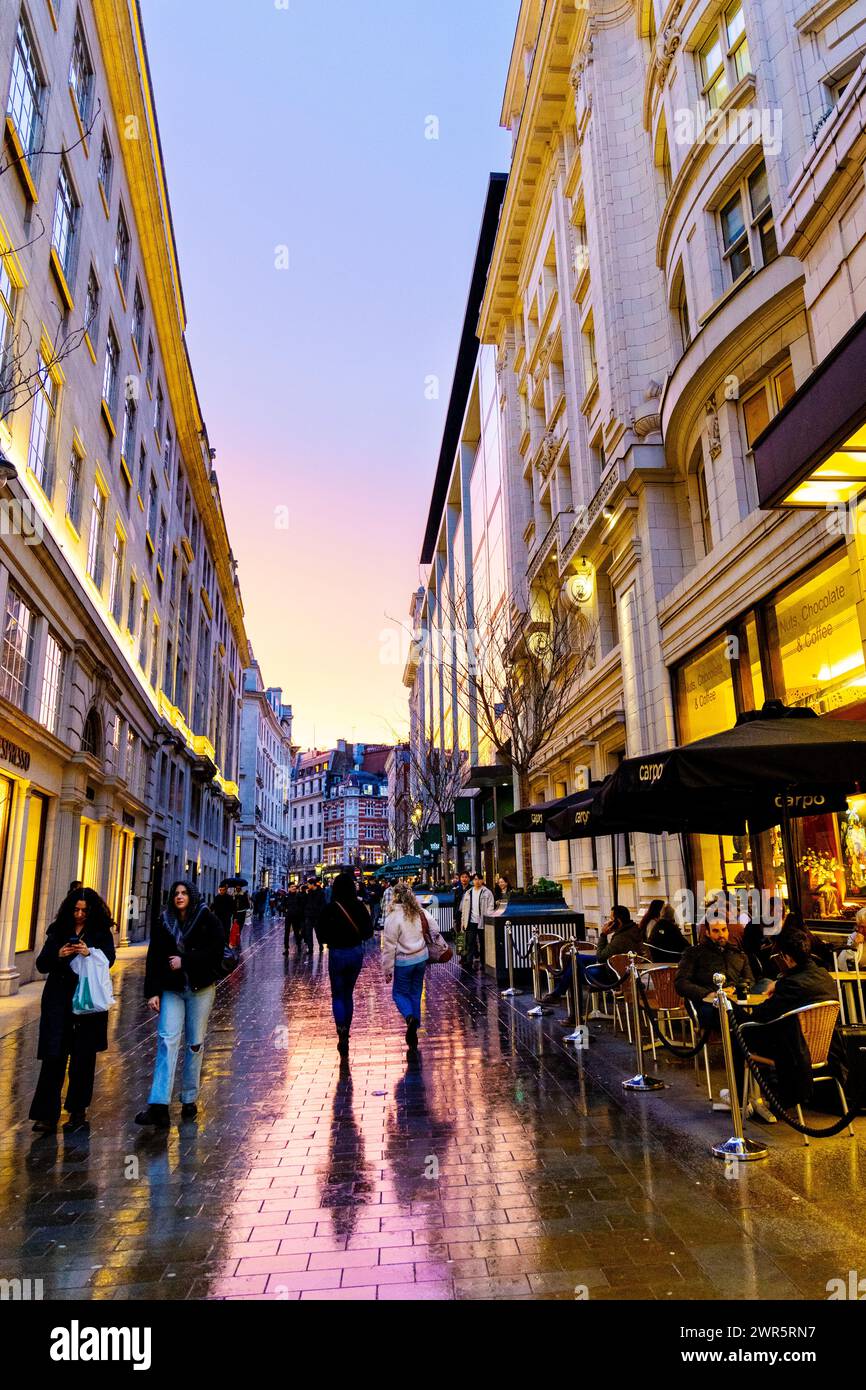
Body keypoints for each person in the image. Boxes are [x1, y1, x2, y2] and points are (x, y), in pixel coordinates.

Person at [135, 881, 225, 1128]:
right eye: (176, 893)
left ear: (192, 896)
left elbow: (217, 951)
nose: (179, 897)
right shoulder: (164, 921)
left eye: (184, 893)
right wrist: (152, 991)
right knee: (166, 1040)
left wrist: (185, 960)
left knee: (194, 1043)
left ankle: (189, 1097)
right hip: (172, 989)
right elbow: (153, 957)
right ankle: (158, 1106)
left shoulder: (207, 917)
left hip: (201, 989)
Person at [29, 888, 116, 1133]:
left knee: (83, 1058)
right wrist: (59, 954)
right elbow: (42, 964)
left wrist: (89, 953)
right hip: (59, 1000)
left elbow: (109, 959)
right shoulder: (58, 930)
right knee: (53, 1057)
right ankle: (46, 1114)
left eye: (84, 911)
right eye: (76, 910)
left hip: (87, 1002)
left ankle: (77, 1110)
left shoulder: (100, 932)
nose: (79, 915)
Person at [735, 923, 839, 1116]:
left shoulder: (790, 986)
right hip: (823, 1049)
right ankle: (765, 1096)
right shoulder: (824, 977)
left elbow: (760, 1016)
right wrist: (781, 982)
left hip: (795, 1052)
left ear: (787, 958)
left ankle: (745, 1096)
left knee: (739, 1030)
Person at [315, 871, 373, 1056]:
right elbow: (368, 932)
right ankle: (346, 1030)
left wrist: (327, 940)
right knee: (348, 993)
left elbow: (320, 930)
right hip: (355, 952)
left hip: (337, 953)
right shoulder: (359, 906)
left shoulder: (329, 908)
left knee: (337, 994)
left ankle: (340, 1029)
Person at [675, 917, 754, 1029]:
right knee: (743, 1020)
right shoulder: (693, 953)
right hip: (707, 1004)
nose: (721, 934)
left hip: (735, 1002)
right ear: (707, 932)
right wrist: (708, 993)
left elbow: (750, 981)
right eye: (716, 931)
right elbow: (681, 983)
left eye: (723, 929)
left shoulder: (738, 954)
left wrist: (736, 989)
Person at [381, 883, 430, 1051]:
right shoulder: (419, 912)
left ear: (395, 896)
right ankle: (414, 1026)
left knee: (399, 993)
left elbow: (389, 946)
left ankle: (409, 1017)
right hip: (421, 958)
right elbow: (434, 928)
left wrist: (387, 969)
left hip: (404, 961)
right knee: (416, 992)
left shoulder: (392, 917)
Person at [460, 871, 494, 969]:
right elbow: (464, 909)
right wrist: (463, 921)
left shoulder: (487, 892)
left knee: (483, 943)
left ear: (482, 880)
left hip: (483, 922)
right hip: (471, 922)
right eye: (475, 879)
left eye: (479, 879)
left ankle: (484, 963)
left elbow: (491, 906)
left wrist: (488, 917)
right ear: (472, 881)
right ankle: (469, 961)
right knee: (470, 943)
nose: (477, 881)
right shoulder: (468, 892)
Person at [303, 880, 325, 955]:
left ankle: (320, 945)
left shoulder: (321, 892)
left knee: (318, 932)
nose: (308, 886)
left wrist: (320, 913)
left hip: (317, 916)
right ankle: (310, 949)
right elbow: (306, 902)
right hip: (309, 915)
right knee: (308, 933)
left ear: (313, 884)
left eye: (309, 884)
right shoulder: (309, 892)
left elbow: (323, 904)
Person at [283, 882, 304, 957]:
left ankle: (298, 946)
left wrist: (298, 912)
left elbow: (302, 905)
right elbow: (282, 905)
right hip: (288, 916)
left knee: (296, 932)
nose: (294, 888)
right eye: (292, 887)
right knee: (286, 932)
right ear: (289, 888)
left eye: (294, 886)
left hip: (296, 916)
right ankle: (286, 948)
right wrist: (285, 910)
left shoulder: (298, 896)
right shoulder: (286, 896)